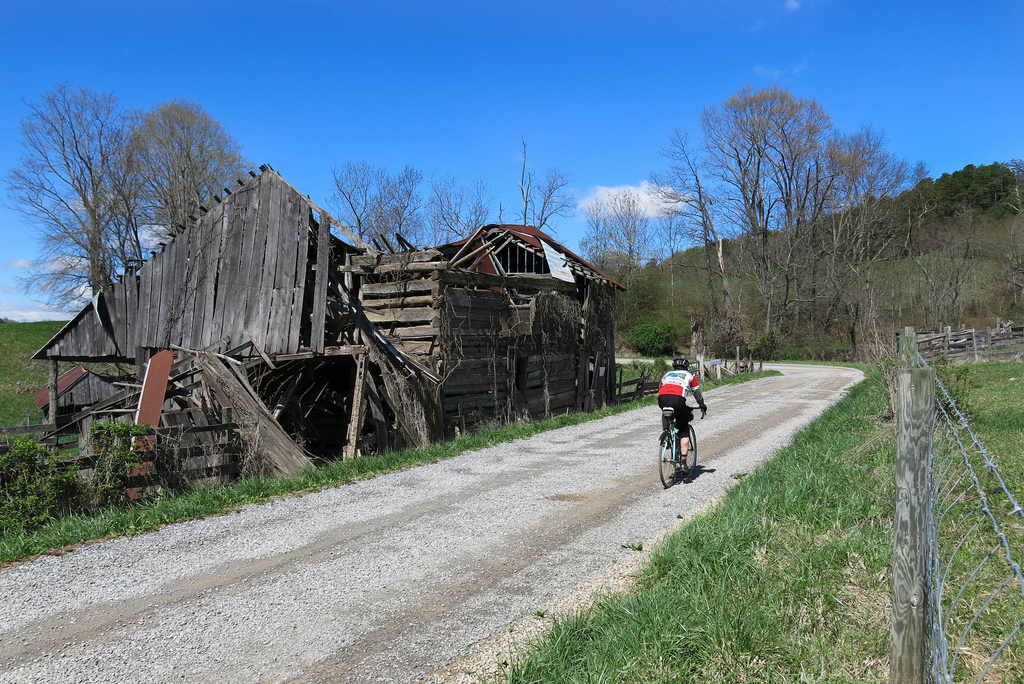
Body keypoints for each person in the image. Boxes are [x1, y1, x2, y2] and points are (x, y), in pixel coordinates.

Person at [658, 356, 707, 459]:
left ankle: (666, 433)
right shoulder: (690, 375)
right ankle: (684, 462)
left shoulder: (667, 374)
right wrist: (702, 405)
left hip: (662, 399)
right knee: (684, 428)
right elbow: (697, 394)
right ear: (686, 366)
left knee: (666, 410)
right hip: (678, 400)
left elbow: (661, 388)